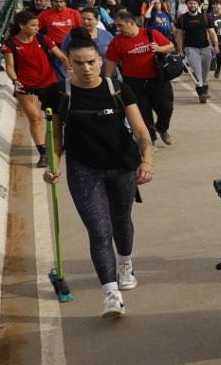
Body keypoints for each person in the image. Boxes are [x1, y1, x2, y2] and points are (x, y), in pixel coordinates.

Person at [44, 29, 155, 319]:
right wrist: (52, 166)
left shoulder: (117, 88)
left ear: (100, 59)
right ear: (68, 62)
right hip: (83, 169)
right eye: (78, 63)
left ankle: (125, 263)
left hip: (121, 166)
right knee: (99, 230)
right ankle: (111, 294)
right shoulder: (62, 94)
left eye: (91, 62)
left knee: (121, 222)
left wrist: (147, 161)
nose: (86, 68)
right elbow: (54, 137)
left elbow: (142, 133)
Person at [104, 11, 177, 145]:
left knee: (166, 108)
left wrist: (159, 48)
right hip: (134, 83)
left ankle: (162, 128)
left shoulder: (150, 33)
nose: (118, 29)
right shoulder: (117, 42)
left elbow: (171, 46)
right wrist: (106, 84)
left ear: (131, 23)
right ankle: (150, 141)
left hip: (158, 80)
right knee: (143, 113)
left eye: (120, 25)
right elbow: (110, 64)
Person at [1, 9, 62, 167]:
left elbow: (61, 56)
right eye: (33, 25)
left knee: (55, 117)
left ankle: (57, 144)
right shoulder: (11, 44)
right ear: (22, 25)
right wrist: (14, 80)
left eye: (38, 25)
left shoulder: (44, 39)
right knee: (35, 118)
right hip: (25, 85)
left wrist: (69, 67)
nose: (37, 28)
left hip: (49, 82)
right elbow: (9, 66)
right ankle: (43, 152)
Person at [175, 0, 218, 102]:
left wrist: (216, 45)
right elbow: (179, 35)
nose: (192, 5)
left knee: (205, 72)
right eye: (190, 3)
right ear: (187, 5)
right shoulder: (182, 18)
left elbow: (212, 32)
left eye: (194, 3)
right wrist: (180, 50)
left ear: (198, 5)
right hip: (190, 49)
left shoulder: (206, 17)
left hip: (206, 48)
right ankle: (202, 93)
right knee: (197, 72)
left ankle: (205, 90)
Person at [36, 0, 82, 79]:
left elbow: (80, 29)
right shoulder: (44, 15)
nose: (58, 4)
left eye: (61, 2)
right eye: (56, 1)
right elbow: (35, 29)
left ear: (65, 2)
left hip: (71, 45)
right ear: (51, 2)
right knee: (59, 71)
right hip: (54, 47)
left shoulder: (74, 13)